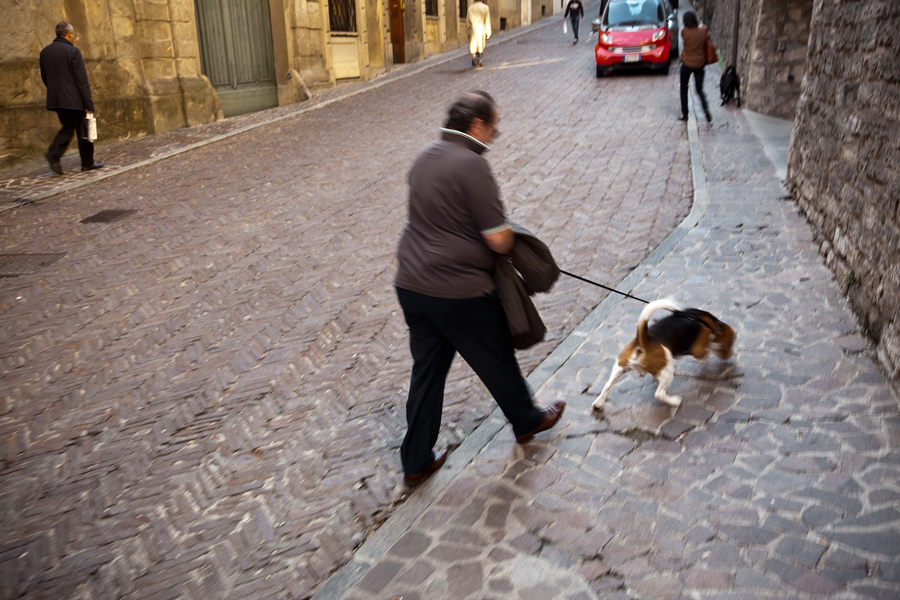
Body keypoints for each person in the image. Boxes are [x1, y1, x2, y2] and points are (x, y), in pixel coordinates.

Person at [395, 91, 566, 485]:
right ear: (476, 126)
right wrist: (513, 240)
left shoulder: (423, 157)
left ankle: (416, 460)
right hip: (459, 291)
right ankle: (527, 420)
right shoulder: (472, 165)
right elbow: (497, 239)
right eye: (493, 128)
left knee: (428, 373)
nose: (493, 136)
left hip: (412, 285)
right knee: (496, 358)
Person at [39, 22, 103, 174]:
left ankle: (54, 154)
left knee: (68, 127)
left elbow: (44, 77)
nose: (74, 37)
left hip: (56, 99)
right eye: (73, 34)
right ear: (69, 34)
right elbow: (81, 80)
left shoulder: (45, 52)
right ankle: (87, 162)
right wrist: (88, 103)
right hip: (75, 99)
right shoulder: (73, 51)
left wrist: (56, 92)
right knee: (84, 130)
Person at [679, 11, 712, 123]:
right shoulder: (702, 32)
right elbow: (707, 37)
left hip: (687, 64)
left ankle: (685, 114)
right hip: (699, 64)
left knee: (684, 88)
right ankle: (705, 109)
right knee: (699, 89)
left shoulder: (684, 32)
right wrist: (703, 27)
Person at [466, 0, 491, 68]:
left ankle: (474, 55)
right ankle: (479, 61)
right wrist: (488, 32)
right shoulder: (485, 7)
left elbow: (467, 21)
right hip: (481, 28)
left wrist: (468, 31)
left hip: (473, 28)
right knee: (481, 44)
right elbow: (487, 20)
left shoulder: (470, 8)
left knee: (473, 44)